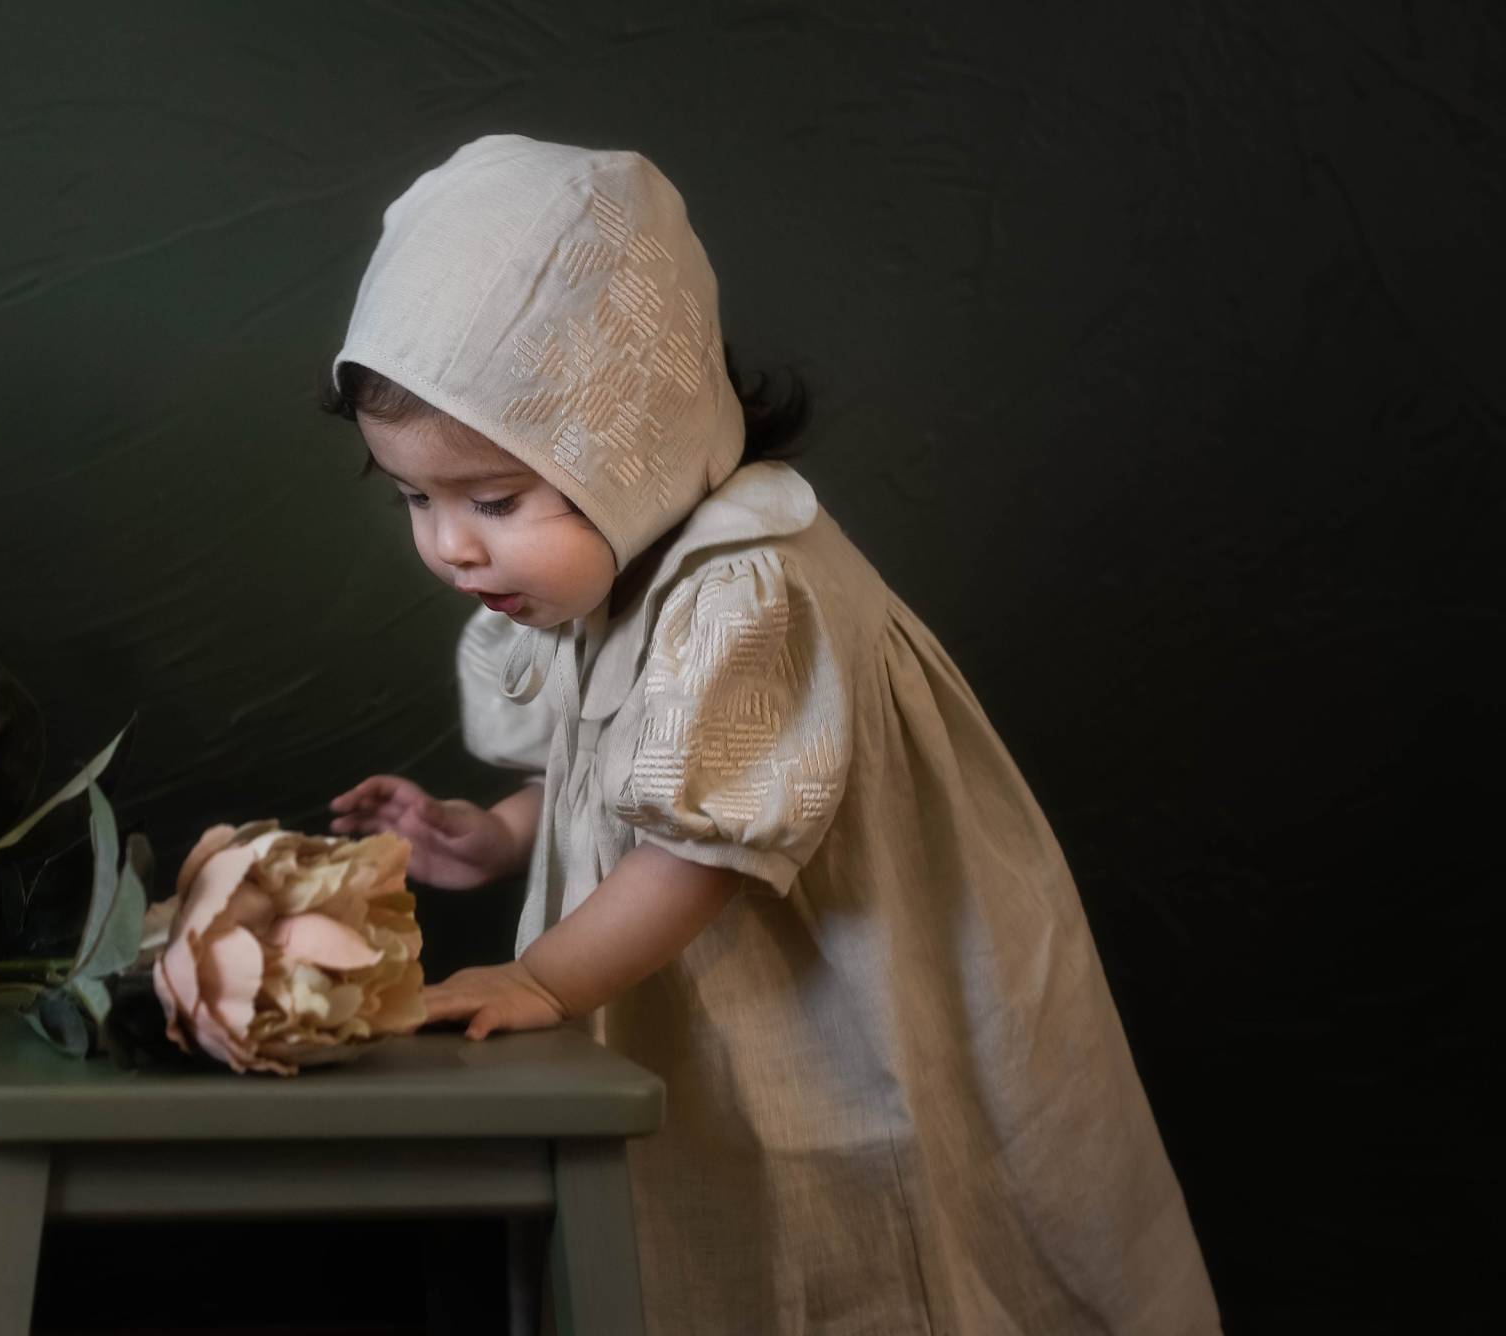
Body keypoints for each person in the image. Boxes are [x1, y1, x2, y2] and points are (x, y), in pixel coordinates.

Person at [324, 133, 1220, 1335]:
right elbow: (640, 784)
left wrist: (543, 972)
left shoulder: (748, 586)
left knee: (872, 1235)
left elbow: (698, 848)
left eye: (492, 499)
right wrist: (493, 833)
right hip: (689, 1010)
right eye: (415, 501)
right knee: (701, 1244)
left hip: (839, 1007)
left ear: (628, 439)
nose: (451, 545)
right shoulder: (609, 573)